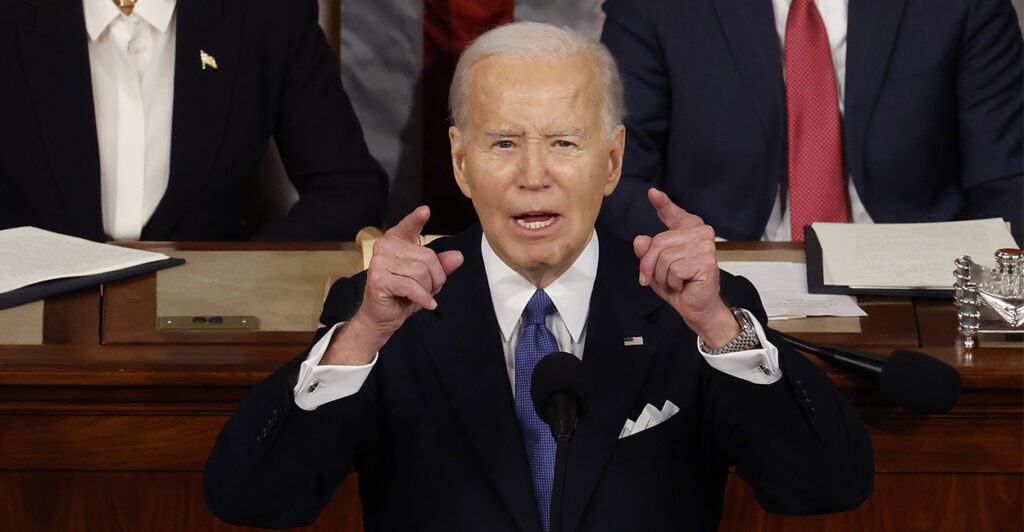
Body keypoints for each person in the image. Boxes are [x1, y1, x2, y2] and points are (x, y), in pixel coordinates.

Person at [204, 22, 873, 531]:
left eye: (563, 143)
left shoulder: (693, 307)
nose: (532, 176)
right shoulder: (383, 311)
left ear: (612, 162)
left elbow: (829, 485)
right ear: (461, 164)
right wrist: (359, 339)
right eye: (503, 144)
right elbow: (251, 499)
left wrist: (719, 329)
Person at [599, 0, 1024, 243]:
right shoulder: (654, 6)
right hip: (719, 277)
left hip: (915, 288)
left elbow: (1006, 178)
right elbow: (610, 176)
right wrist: (684, 252)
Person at [0, 0, 386, 241]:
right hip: (24, 325)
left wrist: (240, 275)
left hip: (206, 328)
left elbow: (348, 190)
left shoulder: (268, 14)